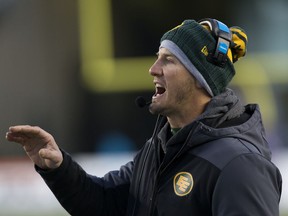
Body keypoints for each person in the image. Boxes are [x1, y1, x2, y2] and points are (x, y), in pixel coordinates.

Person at [6, 18, 282, 216]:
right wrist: (58, 167)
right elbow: (105, 203)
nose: (153, 69)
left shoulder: (238, 165)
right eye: (156, 57)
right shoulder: (161, 148)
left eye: (169, 60)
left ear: (200, 80)